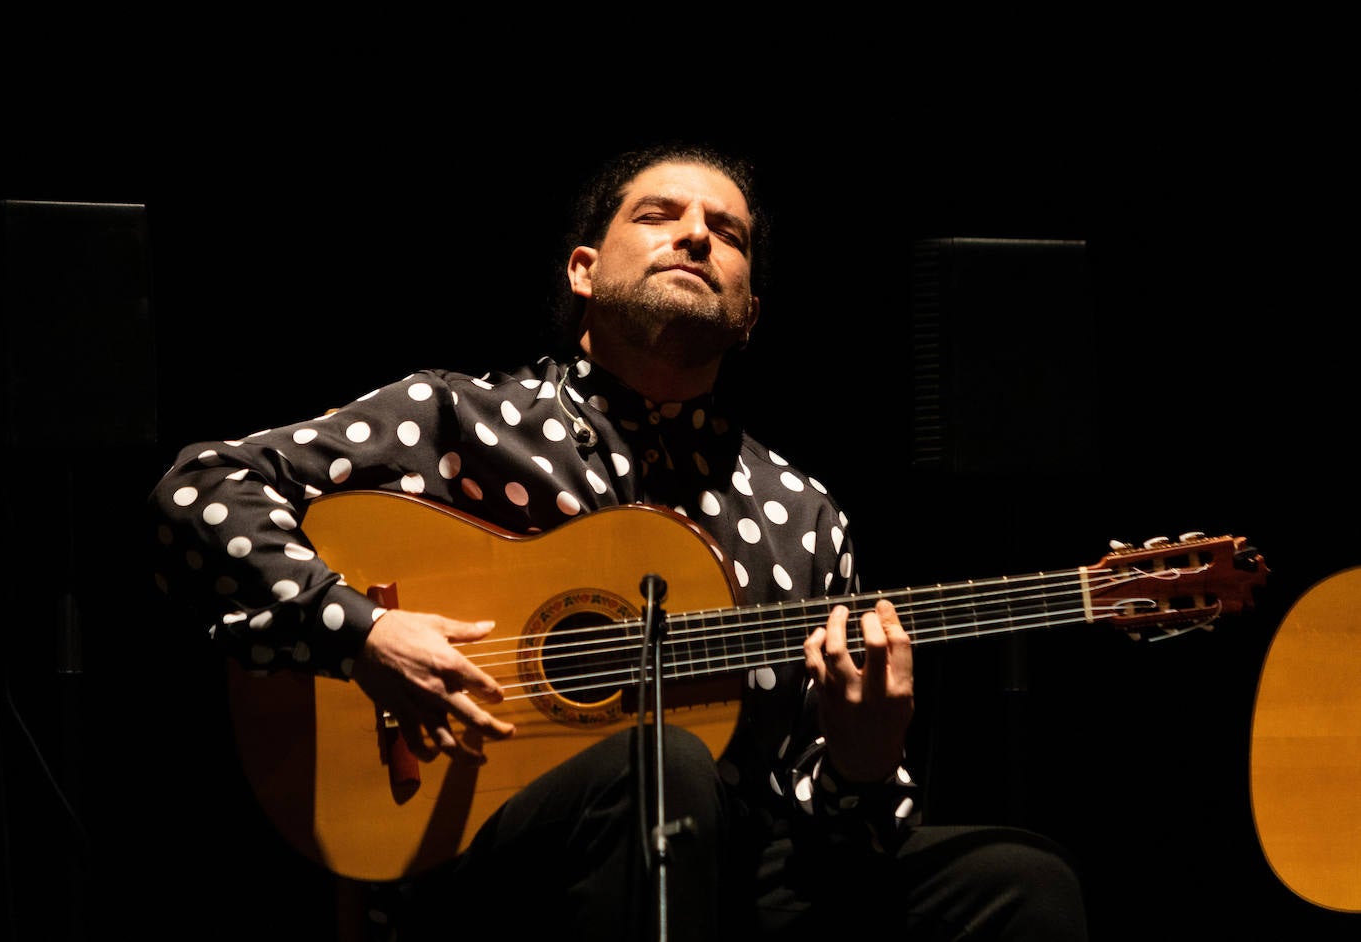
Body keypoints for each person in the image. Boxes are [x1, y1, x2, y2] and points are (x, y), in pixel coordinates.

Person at [149, 142, 1089, 940]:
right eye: (661, 215)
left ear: (750, 310)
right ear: (583, 269)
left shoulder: (803, 513)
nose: (696, 236)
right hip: (483, 863)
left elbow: (835, 834)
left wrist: (864, 760)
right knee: (663, 762)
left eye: (729, 234)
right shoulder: (461, 419)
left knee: (1023, 881)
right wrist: (362, 633)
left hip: (733, 872)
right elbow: (203, 488)